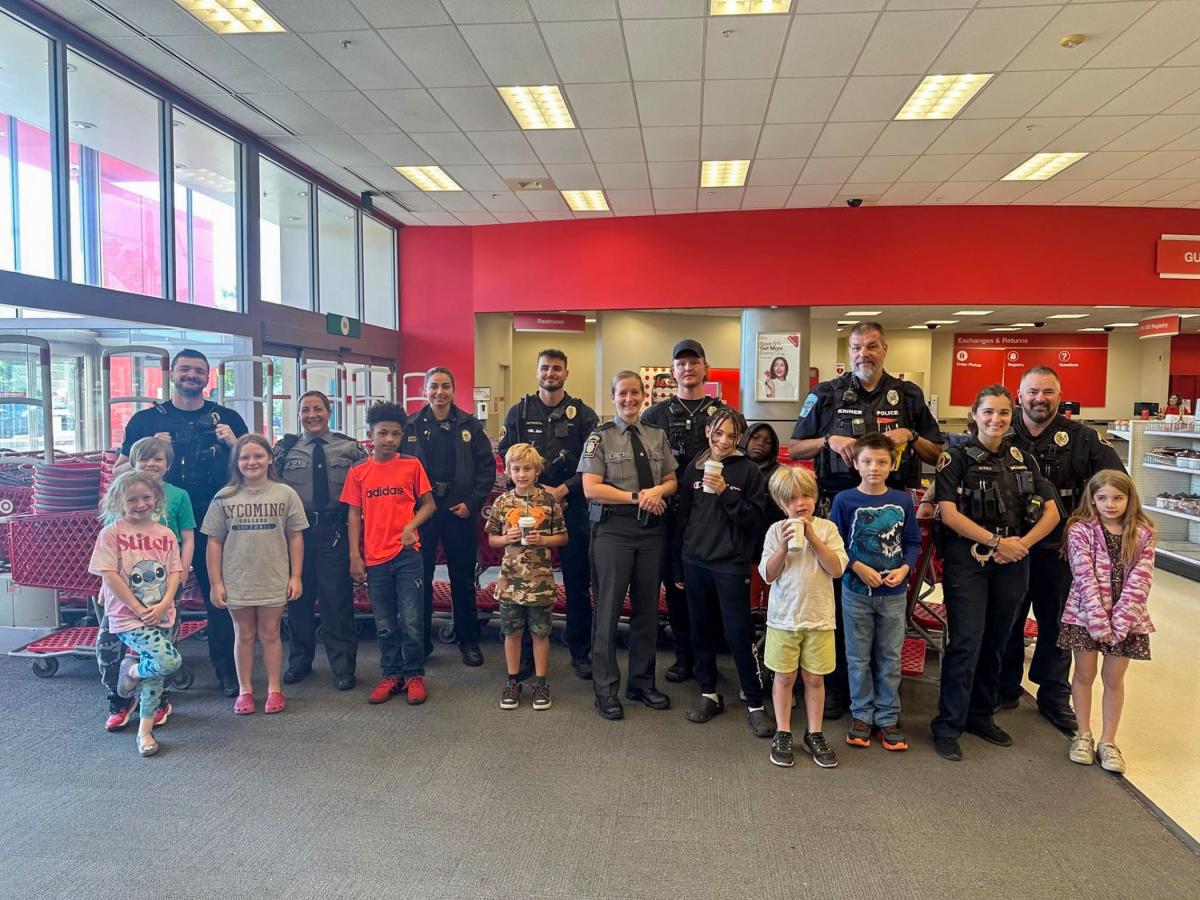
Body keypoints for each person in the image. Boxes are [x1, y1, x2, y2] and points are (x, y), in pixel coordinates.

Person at [789, 322, 943, 719]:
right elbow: (794, 445)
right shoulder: (827, 393)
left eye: (872, 346)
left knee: (890, 606)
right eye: (857, 347)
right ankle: (840, 689)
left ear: (885, 349)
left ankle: (885, 698)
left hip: (892, 512)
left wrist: (910, 433)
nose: (864, 354)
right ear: (849, 350)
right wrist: (827, 440)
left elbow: (935, 452)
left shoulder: (908, 395)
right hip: (836, 508)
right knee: (840, 604)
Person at [930, 385, 1060, 762]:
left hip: (1014, 560)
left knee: (999, 639)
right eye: (988, 412)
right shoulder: (954, 457)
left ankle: (981, 715)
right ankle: (948, 724)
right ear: (974, 414)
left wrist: (1021, 544)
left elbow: (1052, 511)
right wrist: (996, 542)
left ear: (1012, 413)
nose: (996, 420)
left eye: (1004, 413)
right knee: (966, 641)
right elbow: (949, 513)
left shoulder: (1023, 456)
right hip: (969, 559)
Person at [998, 365, 1125, 732]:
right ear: (1019, 395)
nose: (1040, 399)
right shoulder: (1000, 435)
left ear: (1060, 395)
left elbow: (1116, 488)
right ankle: (1005, 688)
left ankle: (1054, 697)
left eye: (1048, 392)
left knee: (1059, 624)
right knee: (1008, 621)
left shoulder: (1084, 439)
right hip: (1011, 548)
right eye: (1032, 392)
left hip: (1062, 551)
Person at [118, 348, 248, 697]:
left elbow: (252, 467)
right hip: (158, 522)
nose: (192, 376)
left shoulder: (229, 418)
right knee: (154, 598)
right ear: (172, 374)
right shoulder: (145, 421)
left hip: (215, 518)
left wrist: (234, 444)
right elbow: (118, 472)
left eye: (199, 371)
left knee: (219, 596)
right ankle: (153, 672)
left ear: (208, 378)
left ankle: (226, 670)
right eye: (185, 370)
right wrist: (146, 455)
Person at [642, 339, 743, 684]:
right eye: (681, 363)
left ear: (706, 368)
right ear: (673, 372)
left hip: (712, 516)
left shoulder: (726, 415)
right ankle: (683, 657)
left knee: (709, 589)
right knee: (676, 587)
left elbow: (740, 463)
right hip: (669, 514)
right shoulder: (654, 416)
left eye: (694, 362)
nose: (688, 368)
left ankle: (708, 661)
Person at [579, 370, 677, 721]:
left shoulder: (656, 435)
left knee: (647, 611)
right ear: (613, 397)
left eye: (635, 393)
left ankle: (640, 682)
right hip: (613, 532)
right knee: (607, 611)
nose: (629, 399)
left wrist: (658, 492)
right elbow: (591, 487)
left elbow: (670, 479)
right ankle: (605, 689)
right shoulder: (600, 437)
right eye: (623, 394)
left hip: (651, 532)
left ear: (644, 396)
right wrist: (638, 497)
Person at [497, 349, 599, 680]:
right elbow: (508, 455)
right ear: (537, 371)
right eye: (545, 368)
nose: (550, 373)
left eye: (557, 368)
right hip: (526, 510)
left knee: (577, 581)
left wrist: (563, 490)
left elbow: (593, 463)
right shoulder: (519, 412)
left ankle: (580, 651)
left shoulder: (584, 415)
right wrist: (539, 493)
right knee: (526, 581)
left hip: (572, 507)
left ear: (566, 373)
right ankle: (526, 656)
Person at [672, 409, 771, 736]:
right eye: (718, 433)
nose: (723, 441)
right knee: (700, 629)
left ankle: (755, 702)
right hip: (695, 560)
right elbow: (683, 519)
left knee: (738, 634)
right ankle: (708, 692)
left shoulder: (750, 472)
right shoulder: (693, 469)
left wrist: (726, 491)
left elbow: (754, 520)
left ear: (739, 437)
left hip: (731, 564)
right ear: (707, 433)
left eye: (731, 435)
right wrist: (677, 564)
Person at [829, 432, 921, 752]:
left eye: (882, 462)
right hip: (855, 591)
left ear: (892, 464)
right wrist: (856, 566)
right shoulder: (844, 501)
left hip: (893, 593)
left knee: (890, 656)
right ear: (855, 463)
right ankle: (861, 714)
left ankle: (887, 716)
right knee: (857, 656)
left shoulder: (902, 500)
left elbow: (912, 542)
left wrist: (905, 568)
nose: (874, 468)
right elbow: (835, 542)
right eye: (867, 461)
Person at [202, 435, 307, 715]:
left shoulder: (285, 494)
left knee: (271, 633)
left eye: (258, 456)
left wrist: (295, 576)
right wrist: (216, 583)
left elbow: (295, 536)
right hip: (237, 578)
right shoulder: (224, 497)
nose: (252, 462)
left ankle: (274, 689)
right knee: (244, 634)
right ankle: (245, 690)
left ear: (270, 458)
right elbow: (214, 542)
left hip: (273, 576)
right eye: (245, 457)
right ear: (236, 462)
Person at [1060, 470, 1156, 774]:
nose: (1110, 504)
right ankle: (1083, 735)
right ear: (1092, 499)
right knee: (1084, 675)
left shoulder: (1143, 533)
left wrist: (1121, 621)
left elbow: (1142, 579)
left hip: (1128, 621)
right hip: (1085, 616)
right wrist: (1099, 621)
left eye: (1118, 498)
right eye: (1102, 498)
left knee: (1114, 679)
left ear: (1130, 499)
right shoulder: (1080, 530)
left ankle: (1109, 740)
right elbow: (1083, 575)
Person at [344, 402, 437, 706]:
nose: (388, 439)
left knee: (411, 620)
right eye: (382, 433)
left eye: (395, 434)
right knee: (384, 622)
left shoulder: (411, 465)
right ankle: (390, 674)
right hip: (375, 557)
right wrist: (355, 556)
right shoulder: (358, 472)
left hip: (408, 555)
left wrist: (411, 525)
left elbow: (429, 504)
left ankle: (414, 675)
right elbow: (354, 515)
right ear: (369, 435)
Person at [99, 437, 195, 732]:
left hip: (164, 584)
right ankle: (119, 700)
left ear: (168, 464)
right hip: (122, 594)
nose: (152, 464)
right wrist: (105, 587)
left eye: (158, 459)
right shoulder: (121, 498)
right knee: (108, 647)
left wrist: (182, 574)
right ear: (132, 461)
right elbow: (107, 560)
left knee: (163, 646)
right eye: (145, 459)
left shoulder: (177, 497)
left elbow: (187, 538)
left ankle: (158, 700)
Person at [274, 390, 366, 691]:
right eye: (305, 410)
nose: (311, 415)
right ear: (298, 415)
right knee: (297, 600)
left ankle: (343, 666)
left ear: (329, 411)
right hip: (296, 534)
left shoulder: (350, 449)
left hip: (335, 531)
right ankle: (300, 661)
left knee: (336, 602)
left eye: (318, 409)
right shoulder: (285, 450)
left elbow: (367, 490)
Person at [404, 368, 496, 667]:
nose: (439, 392)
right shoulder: (411, 426)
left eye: (445, 386)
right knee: (422, 578)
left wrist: (471, 503)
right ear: (425, 390)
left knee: (462, 578)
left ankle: (468, 640)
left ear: (454, 390)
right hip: (423, 514)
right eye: (434, 387)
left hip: (460, 513)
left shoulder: (469, 424)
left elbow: (486, 469)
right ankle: (421, 642)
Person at [88, 471, 184, 757]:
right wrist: (139, 608)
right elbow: (110, 575)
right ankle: (130, 670)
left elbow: (175, 571)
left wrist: (166, 603)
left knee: (155, 675)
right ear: (119, 501)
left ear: (156, 499)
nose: (140, 504)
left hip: (162, 611)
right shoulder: (112, 533)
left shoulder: (165, 534)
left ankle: (145, 732)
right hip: (128, 616)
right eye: (132, 499)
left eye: (146, 497)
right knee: (169, 660)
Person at [759, 466, 848, 769]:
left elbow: (836, 569)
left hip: (819, 619)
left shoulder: (827, 529)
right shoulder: (775, 531)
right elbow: (768, 575)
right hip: (784, 619)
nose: (801, 503)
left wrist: (812, 535)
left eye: (807, 495)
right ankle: (783, 731)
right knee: (784, 677)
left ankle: (815, 732)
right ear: (781, 504)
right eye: (792, 499)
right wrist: (783, 546)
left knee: (814, 678)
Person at [486, 443, 568, 711]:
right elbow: (492, 539)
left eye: (527, 469)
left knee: (541, 633)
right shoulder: (502, 502)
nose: (522, 474)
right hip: (510, 582)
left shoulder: (548, 501)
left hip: (540, 582)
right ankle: (513, 680)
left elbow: (563, 537)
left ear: (537, 471)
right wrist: (505, 537)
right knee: (511, 633)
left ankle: (541, 682)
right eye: (516, 469)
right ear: (508, 471)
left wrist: (542, 539)